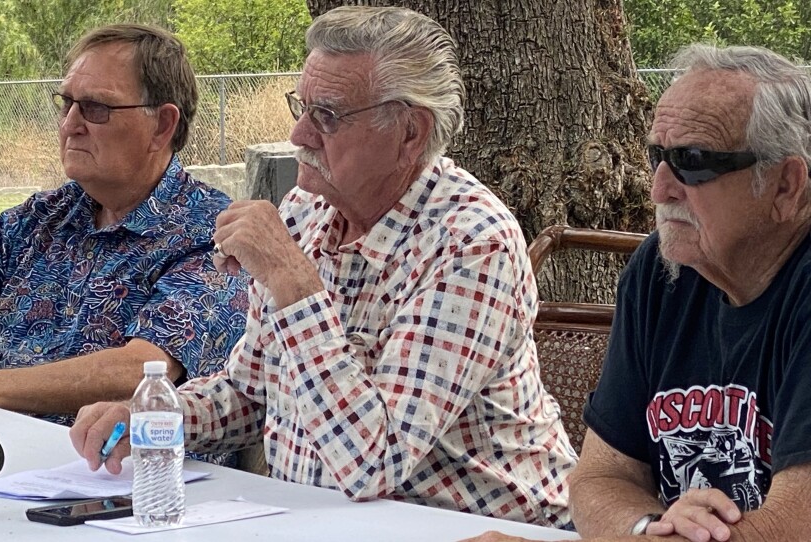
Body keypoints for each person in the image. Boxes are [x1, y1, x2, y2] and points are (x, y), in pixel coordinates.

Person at [71, 6, 576, 528]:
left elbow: (373, 461)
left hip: (483, 530)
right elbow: (251, 393)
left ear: (409, 131)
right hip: (326, 523)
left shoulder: (471, 241)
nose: (298, 135)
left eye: (327, 116)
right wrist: (154, 416)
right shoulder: (307, 211)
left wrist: (293, 282)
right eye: (302, 107)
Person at [461, 44, 811, 542]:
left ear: (785, 186)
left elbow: (788, 531)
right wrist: (648, 528)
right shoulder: (663, 270)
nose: (659, 188)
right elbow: (600, 479)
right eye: (657, 157)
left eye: (693, 161)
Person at [0, 24, 248, 426]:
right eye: (67, 103)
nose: (70, 124)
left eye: (96, 108)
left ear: (162, 126)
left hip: (121, 474)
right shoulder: (33, 222)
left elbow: (143, 371)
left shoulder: (216, 236)